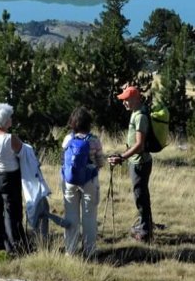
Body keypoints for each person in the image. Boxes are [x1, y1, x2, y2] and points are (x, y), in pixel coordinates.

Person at [107, 83, 153, 242]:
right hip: (138, 161)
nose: (124, 102)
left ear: (134, 99)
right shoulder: (137, 111)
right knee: (141, 195)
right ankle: (145, 226)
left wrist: (122, 157)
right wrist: (128, 86)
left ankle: (145, 231)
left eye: (126, 99)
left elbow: (139, 145)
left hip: (139, 162)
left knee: (140, 196)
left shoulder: (140, 116)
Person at [61, 106, 106, 259]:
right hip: (89, 180)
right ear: (88, 123)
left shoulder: (68, 139)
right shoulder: (94, 140)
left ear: (73, 122)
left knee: (71, 215)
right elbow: (100, 161)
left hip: (69, 181)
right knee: (89, 216)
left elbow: (64, 158)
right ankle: (90, 251)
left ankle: (70, 250)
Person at [0, 103, 26, 253]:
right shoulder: (10, 138)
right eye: (10, 117)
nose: (11, 119)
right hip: (9, 177)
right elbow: (22, 151)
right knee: (11, 211)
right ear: (5, 121)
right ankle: (14, 245)